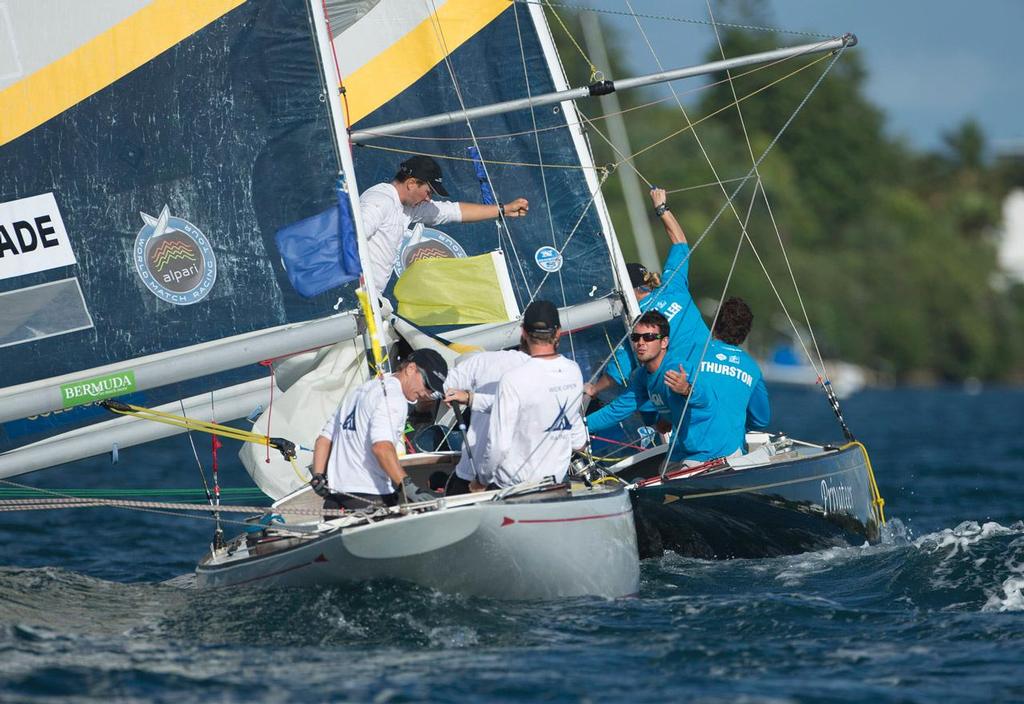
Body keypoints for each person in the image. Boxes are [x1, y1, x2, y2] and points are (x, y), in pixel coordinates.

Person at [585, 187, 709, 399]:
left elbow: (621, 368)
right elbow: (680, 242)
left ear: (627, 291)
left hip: (684, 381)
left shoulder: (638, 320)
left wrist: (594, 389)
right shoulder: (672, 285)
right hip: (711, 370)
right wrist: (661, 207)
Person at [359, 155, 529, 296]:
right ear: (411, 183)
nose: (428, 198)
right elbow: (351, 239)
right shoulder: (380, 201)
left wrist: (503, 210)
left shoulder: (410, 207)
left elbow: (453, 211)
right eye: (428, 191)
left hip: (372, 299)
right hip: (356, 299)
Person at [309, 348, 448, 510]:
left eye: (432, 391)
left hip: (335, 500)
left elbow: (324, 439)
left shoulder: (360, 391)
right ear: (410, 369)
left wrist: (318, 477)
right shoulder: (394, 398)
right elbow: (381, 448)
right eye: (427, 385)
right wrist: (408, 487)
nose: (427, 394)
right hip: (370, 498)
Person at [477, 300, 587, 489]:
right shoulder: (574, 371)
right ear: (558, 332)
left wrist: (481, 481)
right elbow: (578, 438)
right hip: (557, 485)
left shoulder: (512, 379)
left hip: (515, 490)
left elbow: (498, 446)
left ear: (524, 333)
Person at [441, 339, 531, 496]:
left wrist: (466, 397)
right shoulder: (546, 372)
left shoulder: (483, 360)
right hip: (520, 478)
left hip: (474, 473)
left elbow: (442, 384)